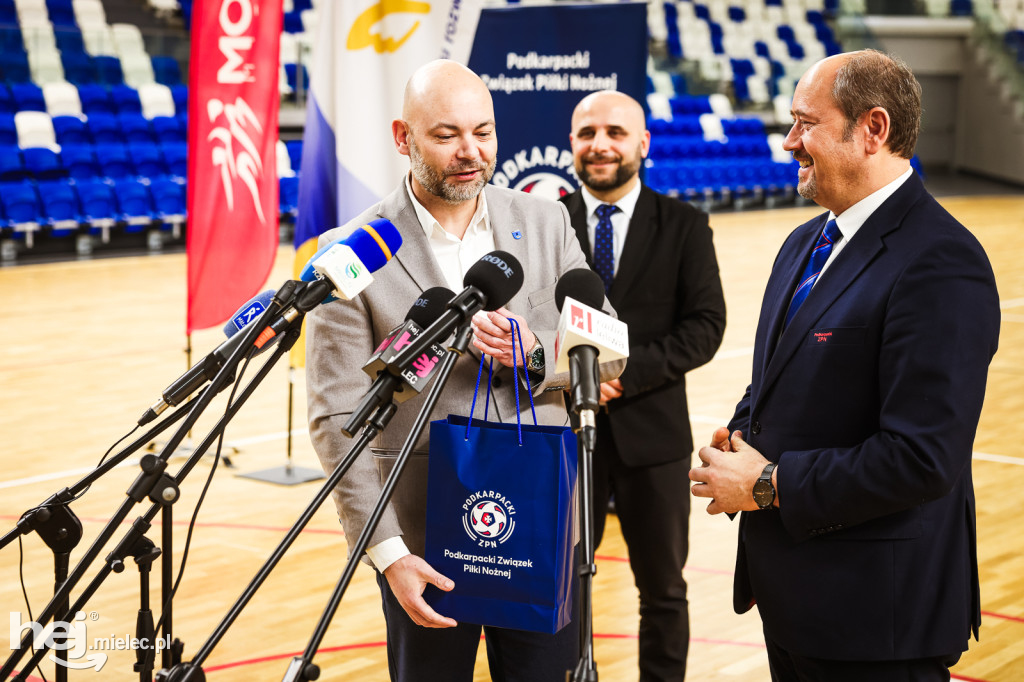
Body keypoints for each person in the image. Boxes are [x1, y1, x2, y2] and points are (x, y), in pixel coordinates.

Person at [306, 60, 623, 682]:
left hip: (541, 523)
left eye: (484, 132)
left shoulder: (545, 221)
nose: (470, 152)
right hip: (427, 542)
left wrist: (532, 353)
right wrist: (388, 553)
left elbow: (609, 351)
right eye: (446, 135)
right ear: (404, 137)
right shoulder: (351, 254)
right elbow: (336, 420)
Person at [689, 50, 1000, 681]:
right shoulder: (805, 241)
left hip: (876, 618)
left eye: (805, 123)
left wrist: (767, 482)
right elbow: (776, 376)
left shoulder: (941, 261)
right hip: (797, 599)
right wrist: (741, 437)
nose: (788, 142)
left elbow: (922, 458)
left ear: (873, 130)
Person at [559, 90, 726, 681]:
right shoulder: (544, 220)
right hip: (562, 431)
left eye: (615, 132)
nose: (600, 145)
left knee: (663, 590)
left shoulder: (684, 224)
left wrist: (619, 376)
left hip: (652, 437)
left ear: (642, 144)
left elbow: (706, 327)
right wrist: (568, 381)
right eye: (586, 133)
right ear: (572, 143)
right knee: (563, 587)